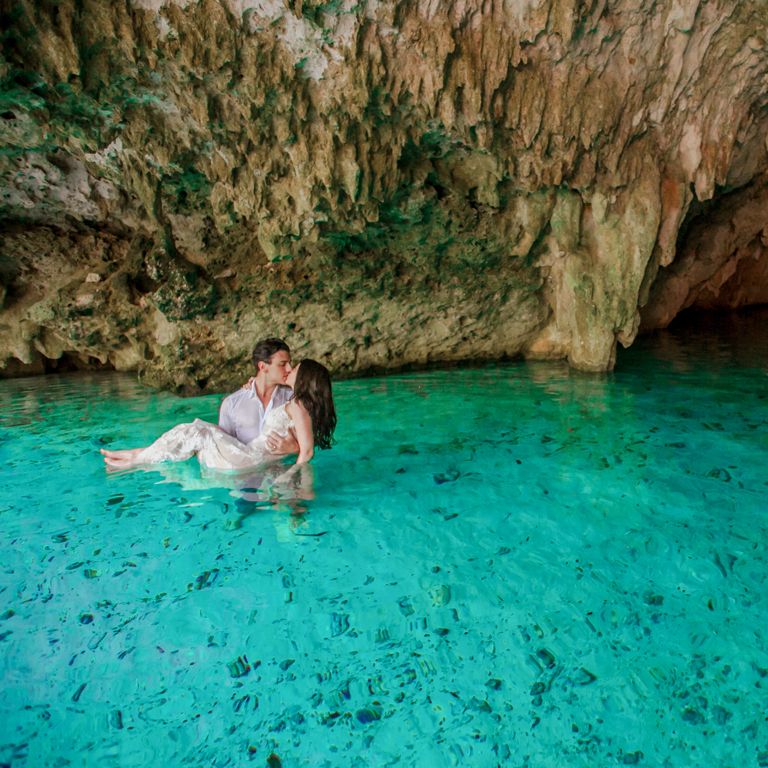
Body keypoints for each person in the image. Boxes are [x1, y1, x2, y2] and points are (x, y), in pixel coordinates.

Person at [100, 360, 336, 471]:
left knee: (195, 432)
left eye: (294, 368)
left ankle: (135, 459)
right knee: (193, 431)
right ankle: (137, 455)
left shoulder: (297, 405)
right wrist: (250, 386)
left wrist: (292, 477)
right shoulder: (297, 402)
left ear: (304, 377)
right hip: (249, 454)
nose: (289, 369)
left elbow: (307, 451)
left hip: (249, 459)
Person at [218, 338, 299, 456]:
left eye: (289, 363)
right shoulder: (231, 403)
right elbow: (223, 449)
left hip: (285, 470)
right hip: (245, 472)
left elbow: (309, 447)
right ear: (263, 366)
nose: (289, 369)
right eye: (283, 364)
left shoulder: (293, 399)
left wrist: (295, 449)